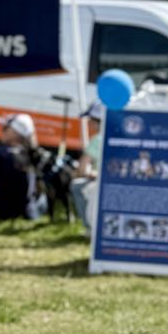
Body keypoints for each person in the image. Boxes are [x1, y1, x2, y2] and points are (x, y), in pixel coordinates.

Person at [0, 113, 38, 221]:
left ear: (15, 133)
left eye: (6, 128)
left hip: (2, 212)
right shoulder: (33, 155)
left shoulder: (0, 153)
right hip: (28, 212)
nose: (2, 131)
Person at [70, 101, 104, 235]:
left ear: (97, 121)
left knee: (76, 186)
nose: (88, 123)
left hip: (99, 183)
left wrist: (84, 173)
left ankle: (89, 227)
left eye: (90, 120)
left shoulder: (97, 139)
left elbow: (82, 169)